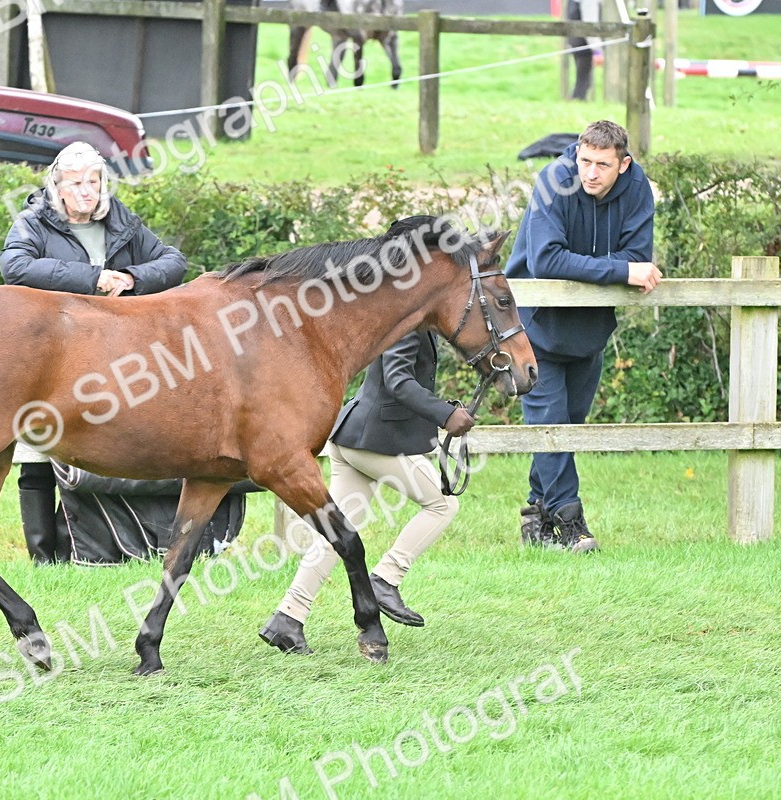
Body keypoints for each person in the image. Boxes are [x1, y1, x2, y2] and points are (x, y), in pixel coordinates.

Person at [0, 141, 187, 563]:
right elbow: (14, 266)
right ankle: (44, 555)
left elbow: (174, 262)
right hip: (56, 351)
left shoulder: (122, 220)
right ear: (58, 187)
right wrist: (93, 278)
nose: (87, 190)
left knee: (110, 441)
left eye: (94, 181)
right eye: (76, 183)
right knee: (39, 444)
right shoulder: (34, 221)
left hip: (118, 349)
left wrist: (132, 279)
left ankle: (120, 547)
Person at [259, 329, 475, 655]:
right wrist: (445, 414)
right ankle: (386, 579)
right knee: (442, 504)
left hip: (353, 433)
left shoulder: (409, 314)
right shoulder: (410, 322)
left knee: (337, 533)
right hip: (375, 440)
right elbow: (399, 381)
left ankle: (288, 618)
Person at [504, 119, 660, 554]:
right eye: (585, 160)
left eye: (602, 165)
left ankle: (535, 517)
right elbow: (546, 260)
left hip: (589, 329)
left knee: (564, 427)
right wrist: (619, 271)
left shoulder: (637, 188)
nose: (590, 173)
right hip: (532, 327)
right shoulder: (555, 179)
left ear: (623, 165)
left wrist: (622, 267)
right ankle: (573, 526)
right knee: (551, 426)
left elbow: (638, 256)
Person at [566, 0, 601, 101]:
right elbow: (590, 25)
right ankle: (577, 101)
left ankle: (577, 100)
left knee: (582, 78)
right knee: (583, 81)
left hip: (576, 41)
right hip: (585, 44)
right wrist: (597, 49)